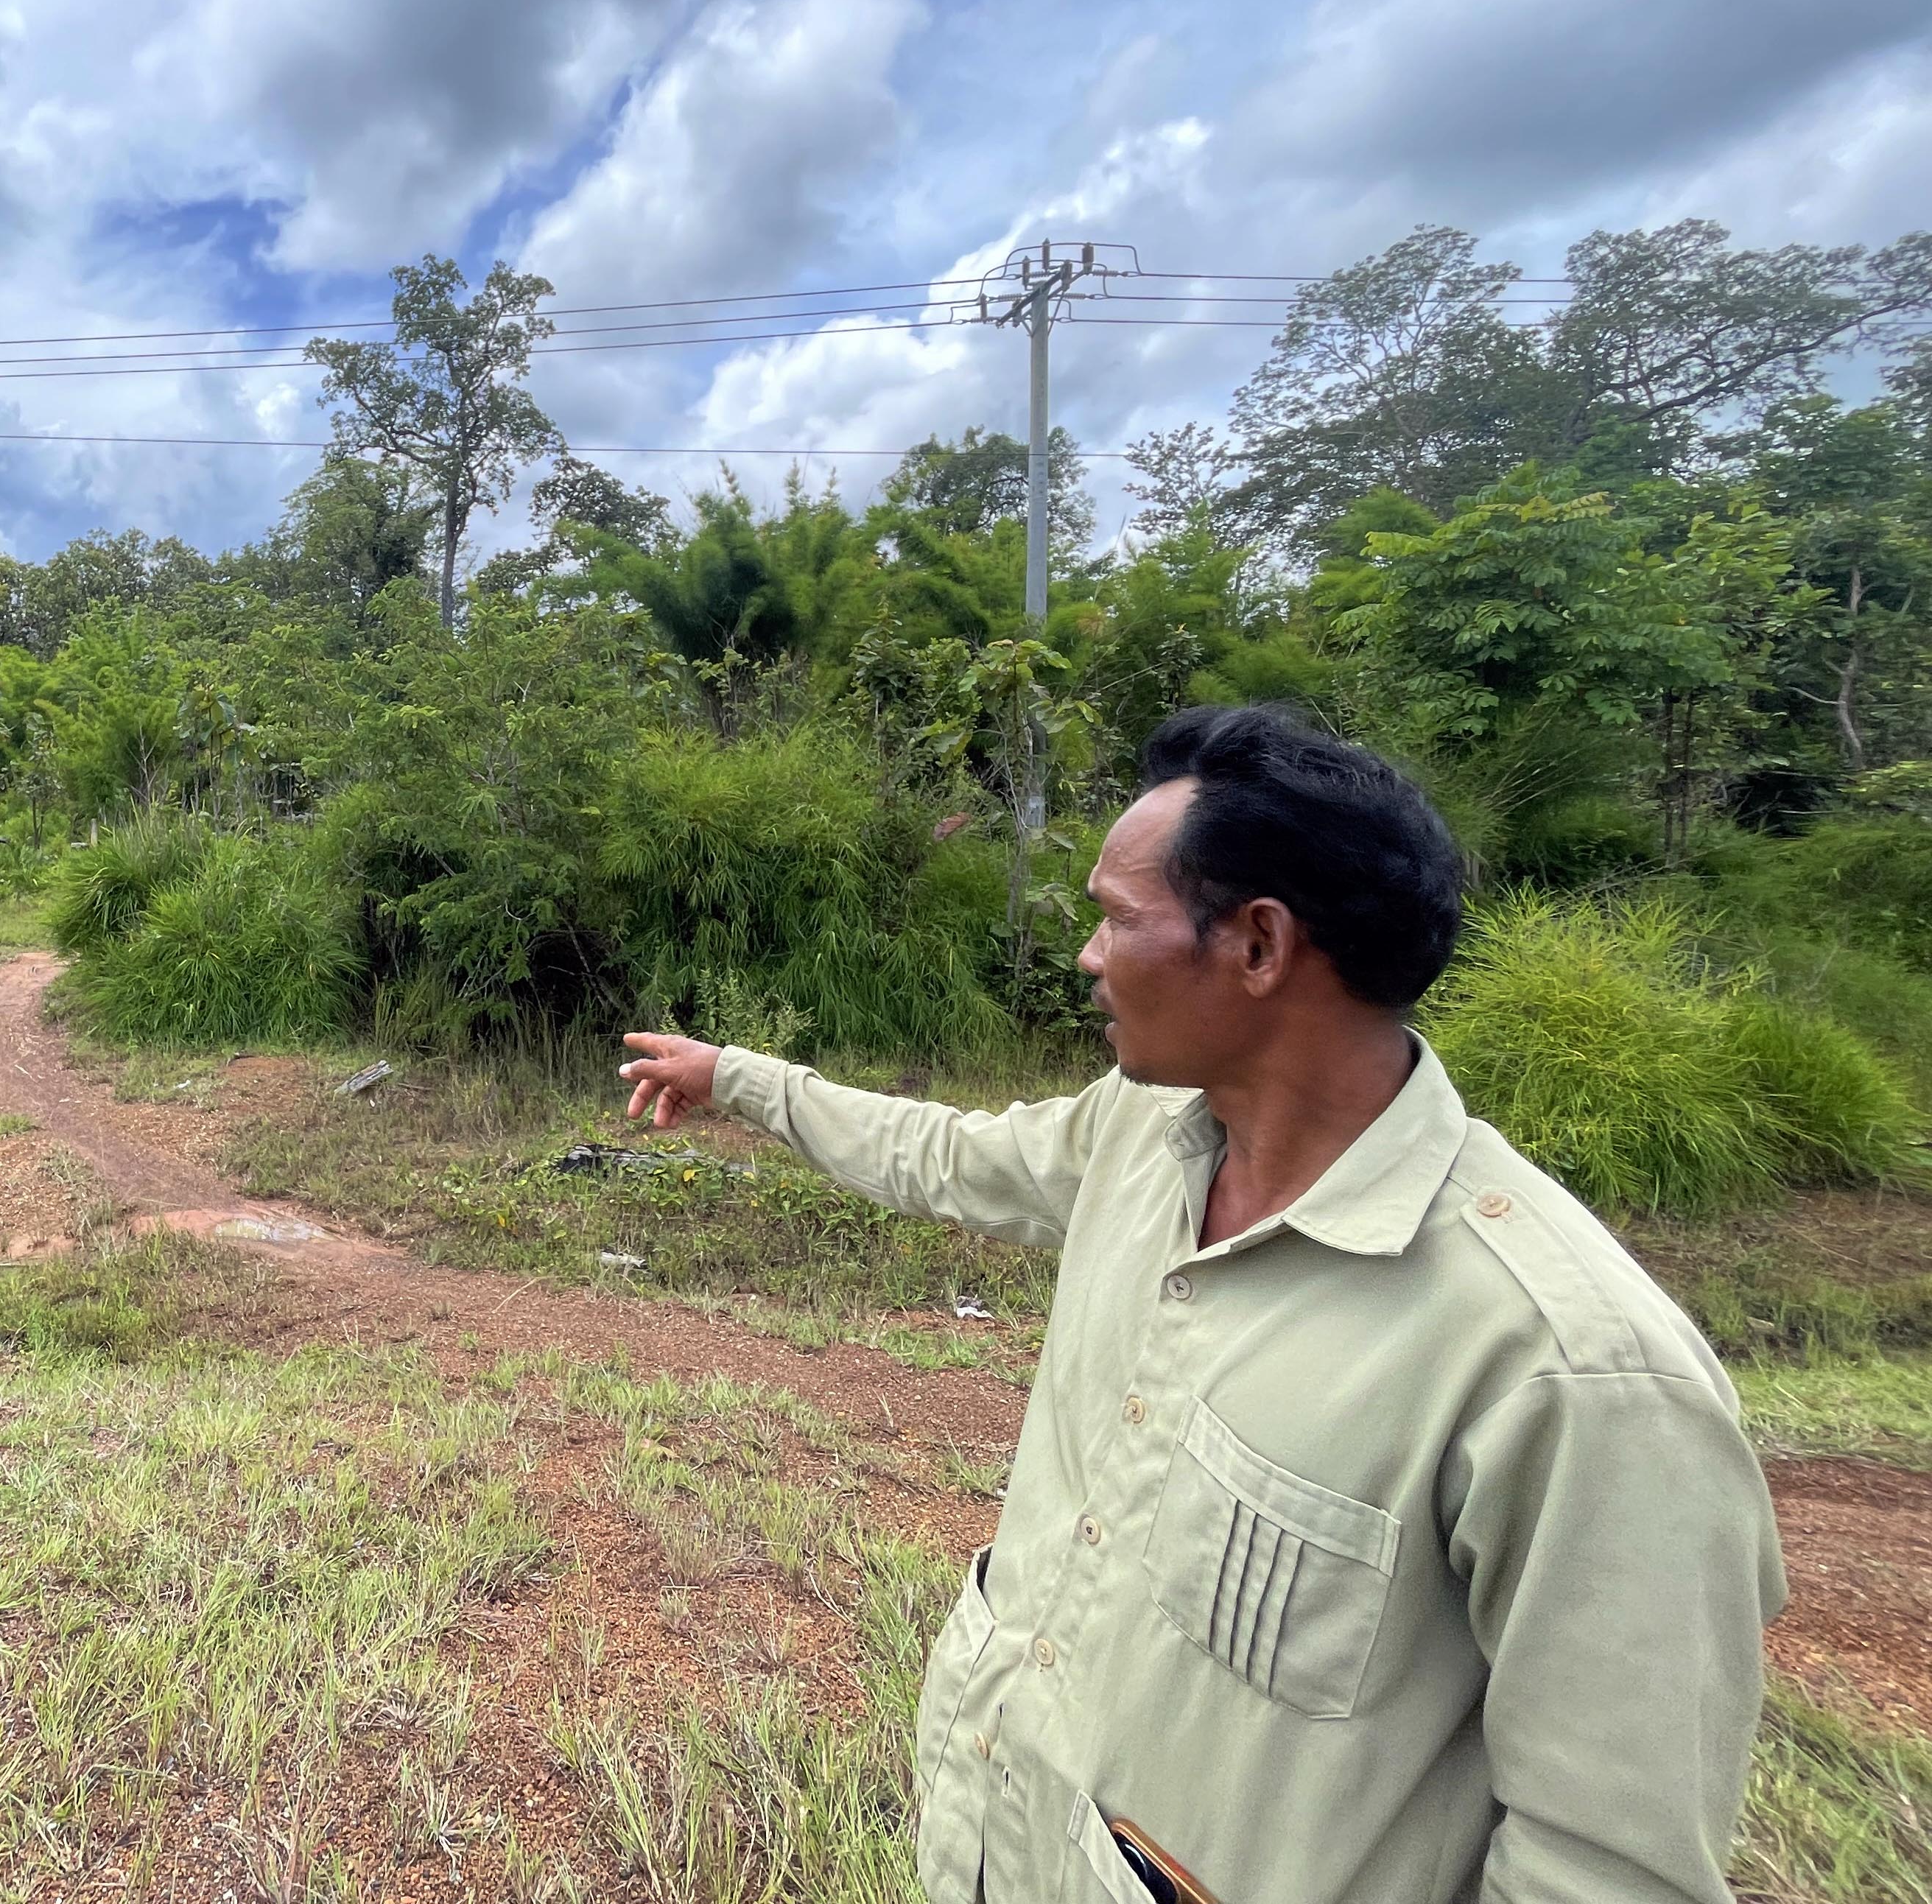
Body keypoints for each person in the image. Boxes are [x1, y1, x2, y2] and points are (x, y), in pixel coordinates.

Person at [618, 705, 1785, 1904]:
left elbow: (1606, 1869)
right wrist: (742, 1081)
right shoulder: (1142, 1133)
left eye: (1119, 919)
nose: (1087, 955)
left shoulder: (1573, 1373)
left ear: (1260, 946)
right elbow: (949, 1155)